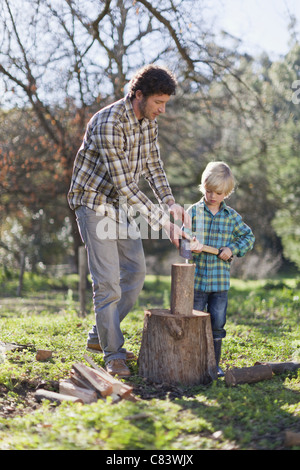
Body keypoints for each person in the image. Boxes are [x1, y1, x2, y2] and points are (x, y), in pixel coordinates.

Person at [68, 64, 190, 377]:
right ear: (138, 95)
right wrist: (165, 224)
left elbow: (153, 165)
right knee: (108, 284)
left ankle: (100, 335)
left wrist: (170, 202)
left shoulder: (148, 123)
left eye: (165, 103)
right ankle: (113, 354)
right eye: (158, 103)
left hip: (120, 207)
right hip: (93, 202)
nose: (162, 110)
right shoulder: (109, 121)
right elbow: (125, 185)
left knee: (135, 274)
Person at [184, 161, 255, 377]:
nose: (212, 196)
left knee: (217, 324)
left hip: (219, 284)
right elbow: (183, 238)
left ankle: (213, 365)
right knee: (193, 322)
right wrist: (191, 245)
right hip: (195, 282)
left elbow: (248, 237)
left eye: (218, 192)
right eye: (208, 191)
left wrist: (232, 249)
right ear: (202, 187)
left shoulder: (231, 217)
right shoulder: (193, 212)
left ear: (227, 193)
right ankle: (192, 363)